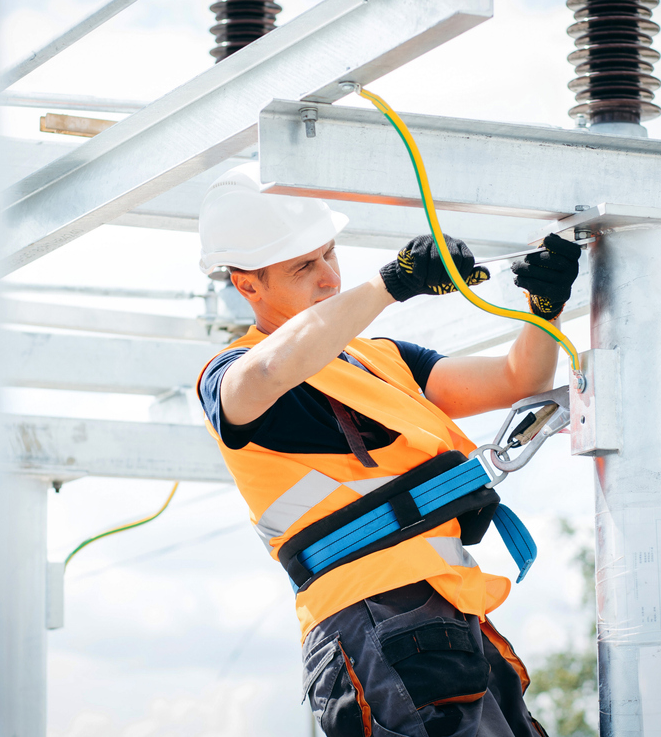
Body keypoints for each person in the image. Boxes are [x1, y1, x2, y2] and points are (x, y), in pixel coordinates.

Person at [195, 163, 581, 737]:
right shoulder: (231, 376)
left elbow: (516, 380)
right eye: (304, 266)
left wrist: (543, 308)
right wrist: (388, 284)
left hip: (446, 613)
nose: (329, 278)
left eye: (329, 254)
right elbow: (273, 368)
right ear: (247, 284)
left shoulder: (379, 358)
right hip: (371, 618)